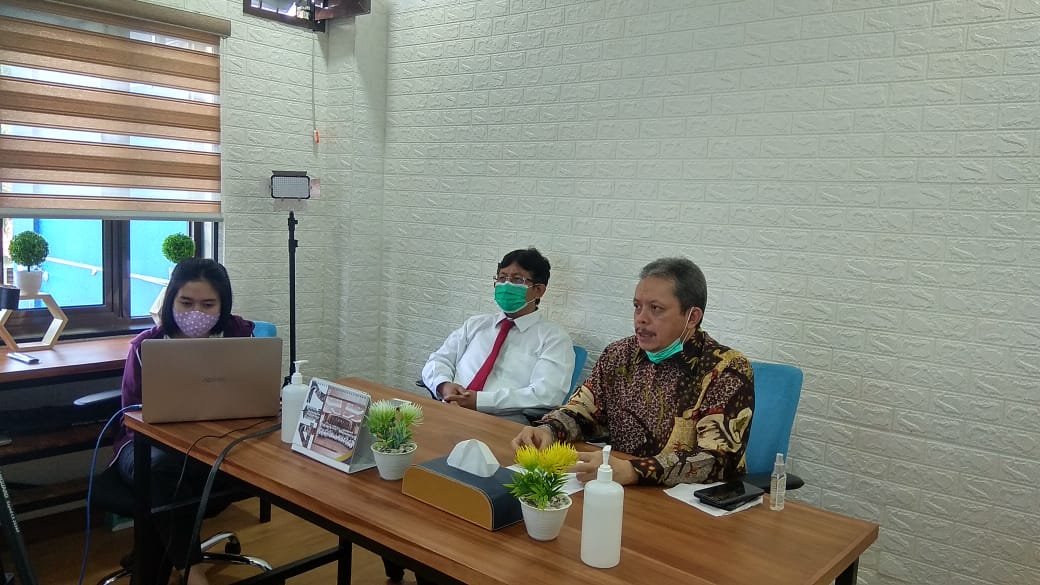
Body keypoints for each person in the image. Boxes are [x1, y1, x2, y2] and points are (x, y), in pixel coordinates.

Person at [512, 257, 754, 487]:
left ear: (692, 317)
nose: (641, 319)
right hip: (617, 487)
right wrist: (548, 430)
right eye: (637, 307)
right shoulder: (619, 355)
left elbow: (717, 459)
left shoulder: (726, 369)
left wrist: (634, 470)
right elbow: (582, 411)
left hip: (687, 502)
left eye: (656, 309)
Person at [110, 258, 256, 585]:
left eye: (208, 305)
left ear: (223, 305)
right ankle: (192, 572)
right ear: (171, 300)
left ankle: (168, 561)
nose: (196, 313)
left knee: (164, 494)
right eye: (186, 303)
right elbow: (129, 413)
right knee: (161, 473)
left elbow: (254, 395)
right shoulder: (146, 346)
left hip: (214, 446)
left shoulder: (239, 337)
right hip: (144, 447)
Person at [421, 247, 575, 424]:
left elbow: (547, 395)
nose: (506, 285)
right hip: (449, 411)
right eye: (502, 278)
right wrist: (443, 385)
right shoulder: (476, 324)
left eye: (517, 279)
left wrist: (480, 401)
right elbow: (438, 360)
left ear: (538, 290)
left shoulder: (554, 339)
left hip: (502, 424)